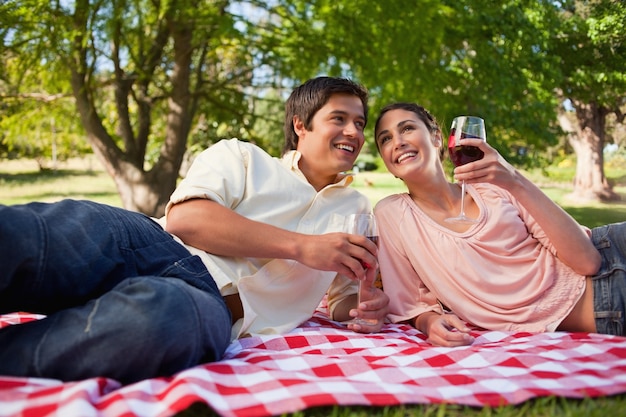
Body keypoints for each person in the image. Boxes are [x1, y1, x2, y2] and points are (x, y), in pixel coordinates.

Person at [0, 76, 389, 384]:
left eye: (359, 122)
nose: (354, 132)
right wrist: (302, 247)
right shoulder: (243, 157)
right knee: (41, 236)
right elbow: (187, 220)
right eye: (339, 118)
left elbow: (345, 297)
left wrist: (363, 309)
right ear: (300, 125)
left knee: (156, 325)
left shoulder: (356, 209)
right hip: (149, 245)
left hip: (208, 304)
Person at [372, 101, 626, 347]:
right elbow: (411, 301)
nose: (398, 142)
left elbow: (587, 260)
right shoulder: (393, 214)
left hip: (611, 248)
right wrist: (430, 322)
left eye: (407, 128)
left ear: (437, 138)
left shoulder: (495, 187)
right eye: (386, 139)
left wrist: (514, 179)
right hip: (608, 303)